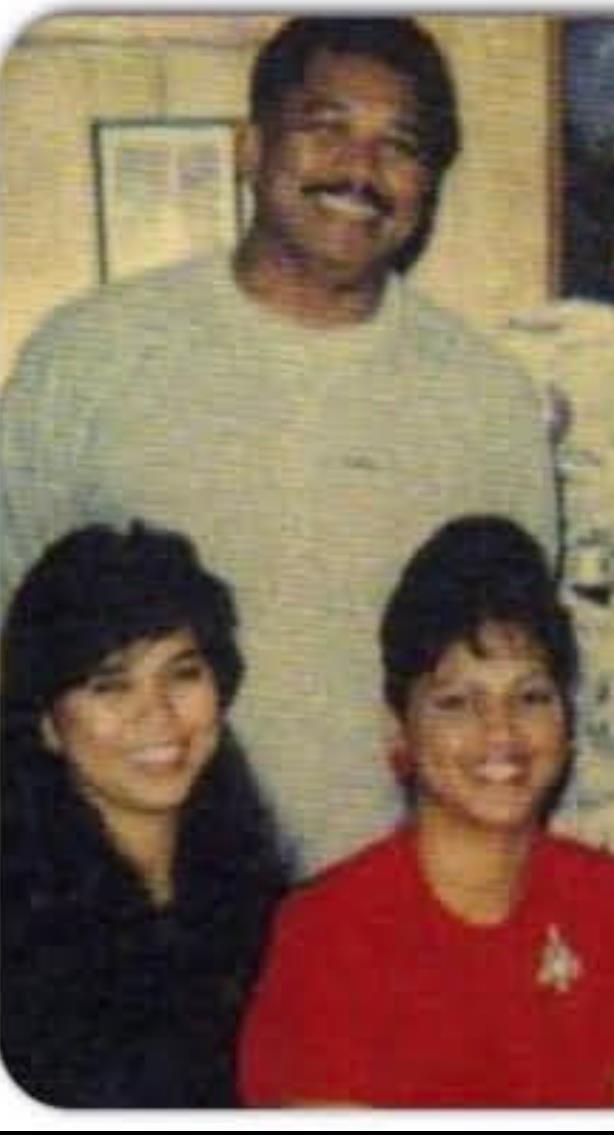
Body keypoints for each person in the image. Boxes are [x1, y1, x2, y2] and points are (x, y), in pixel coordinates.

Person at [0, 17, 558, 877]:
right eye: (326, 127)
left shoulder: (488, 402)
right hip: (131, 913)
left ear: (428, 185)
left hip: (392, 905)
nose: (361, 170)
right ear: (251, 147)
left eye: (398, 145)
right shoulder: (88, 358)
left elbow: (516, 680)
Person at [238, 516, 614, 1107]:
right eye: (457, 703)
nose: (499, 731)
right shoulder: (331, 934)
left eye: (530, 696)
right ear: (397, 728)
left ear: (567, 717)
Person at [1, 522, 288, 1107]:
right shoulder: (19, 936)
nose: (157, 715)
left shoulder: (262, 898)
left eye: (182, 674)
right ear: (50, 725)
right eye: (111, 686)